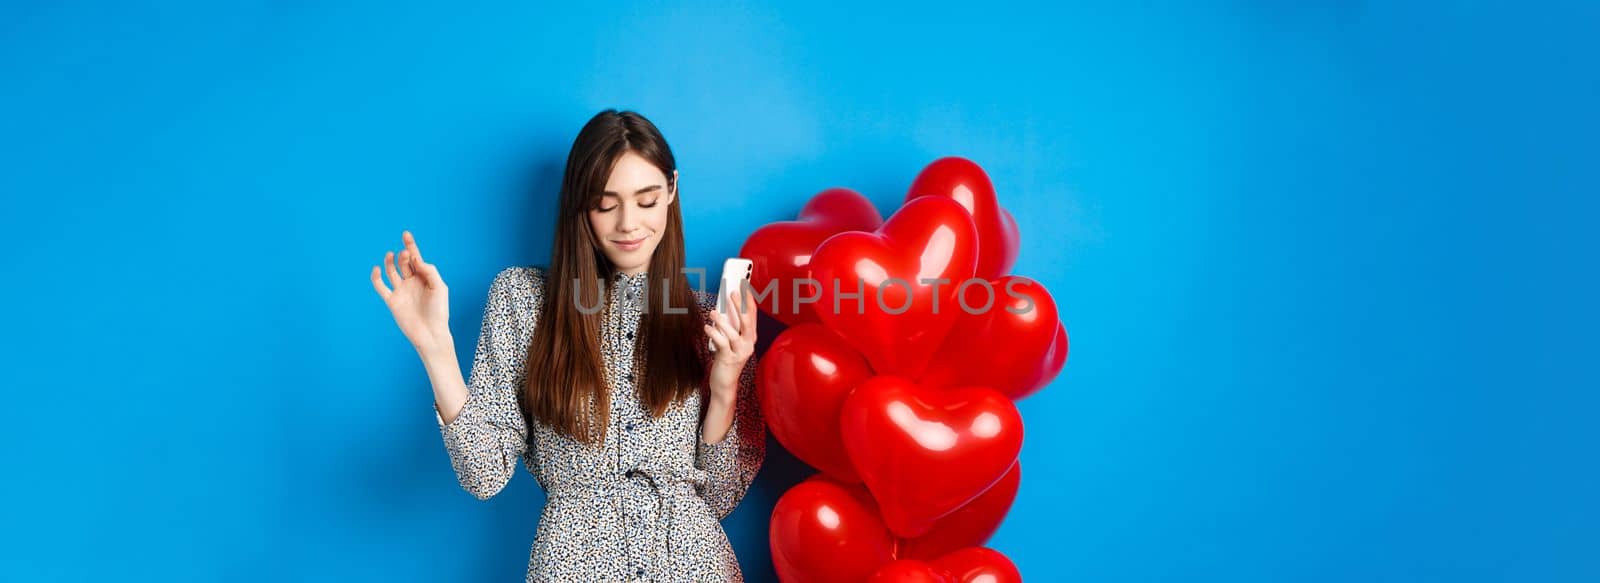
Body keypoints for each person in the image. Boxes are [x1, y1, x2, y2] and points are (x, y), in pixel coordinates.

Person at [369, 109, 765, 582]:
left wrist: (725, 382)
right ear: (580, 203)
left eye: (647, 200)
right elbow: (483, 475)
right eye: (605, 203)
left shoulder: (708, 321)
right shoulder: (524, 301)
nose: (628, 223)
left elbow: (718, 497)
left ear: (672, 191)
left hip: (694, 567)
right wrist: (436, 347)